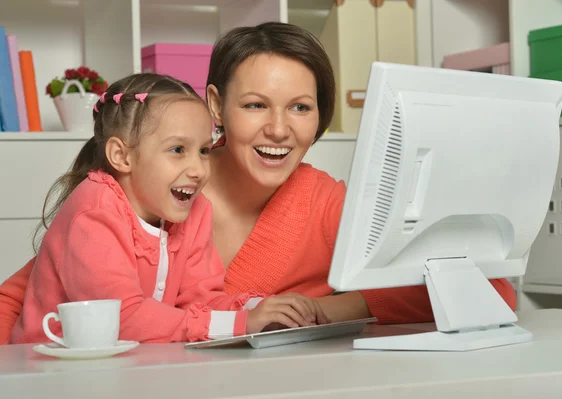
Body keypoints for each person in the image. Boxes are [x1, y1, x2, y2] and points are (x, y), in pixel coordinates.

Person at [0, 22, 516, 344]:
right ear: (215, 105)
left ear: (320, 118)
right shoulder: (151, 186)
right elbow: (28, 296)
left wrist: (325, 309)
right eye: (254, 105)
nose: (279, 129)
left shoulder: (324, 203)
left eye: (300, 108)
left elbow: (488, 291)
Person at [9, 73, 328, 345]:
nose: (198, 169)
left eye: (203, 150)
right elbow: (123, 318)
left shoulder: (195, 210)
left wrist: (263, 308)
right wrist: (241, 324)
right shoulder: (94, 214)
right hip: (50, 373)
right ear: (122, 156)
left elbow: (200, 299)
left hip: (133, 368)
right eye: (178, 150)